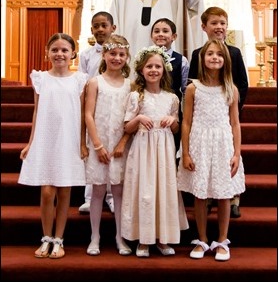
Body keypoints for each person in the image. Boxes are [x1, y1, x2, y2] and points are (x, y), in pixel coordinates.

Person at [18, 33, 88, 259]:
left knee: (65, 189)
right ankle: (46, 238)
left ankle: (59, 239)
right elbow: (37, 111)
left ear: (72, 54)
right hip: (47, 138)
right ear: (47, 53)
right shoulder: (40, 78)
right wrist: (30, 143)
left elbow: (81, 114)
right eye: (55, 50)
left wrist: (82, 143)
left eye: (64, 50)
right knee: (47, 191)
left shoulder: (79, 80)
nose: (60, 54)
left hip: (68, 138)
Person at [177, 39, 245, 261]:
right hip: (199, 143)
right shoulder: (192, 88)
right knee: (200, 194)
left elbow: (235, 123)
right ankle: (203, 239)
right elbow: (186, 122)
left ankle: (222, 241)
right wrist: (185, 152)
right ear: (202, 58)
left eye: (219, 54)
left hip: (223, 144)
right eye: (210, 54)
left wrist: (237, 153)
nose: (214, 57)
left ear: (225, 60)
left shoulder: (230, 89)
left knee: (224, 194)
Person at [121, 45, 189, 258]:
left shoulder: (172, 98)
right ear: (141, 70)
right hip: (143, 150)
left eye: (157, 66)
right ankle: (143, 239)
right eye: (149, 66)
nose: (153, 70)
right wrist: (138, 119)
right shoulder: (135, 96)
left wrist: (173, 121)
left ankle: (162, 238)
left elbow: (177, 127)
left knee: (163, 190)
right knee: (145, 191)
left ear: (164, 70)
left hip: (164, 151)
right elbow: (126, 127)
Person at [188, 6, 248, 218]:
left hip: (226, 113)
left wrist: (231, 108)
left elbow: (242, 83)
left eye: (223, 23)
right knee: (208, 159)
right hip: (205, 116)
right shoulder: (198, 54)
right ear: (204, 27)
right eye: (214, 23)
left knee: (227, 156)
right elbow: (193, 82)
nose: (219, 27)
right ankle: (210, 195)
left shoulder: (234, 52)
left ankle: (232, 199)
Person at [85, 34, 132, 256]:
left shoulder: (130, 85)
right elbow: (88, 114)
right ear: (104, 55)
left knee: (120, 191)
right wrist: (97, 144)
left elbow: (132, 117)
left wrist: (122, 142)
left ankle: (120, 237)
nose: (117, 58)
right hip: (100, 143)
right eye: (112, 53)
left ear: (127, 57)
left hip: (120, 146)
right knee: (98, 191)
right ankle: (95, 236)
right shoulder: (95, 82)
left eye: (121, 54)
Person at [78, 11, 116, 214]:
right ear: (91, 30)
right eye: (96, 26)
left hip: (112, 106)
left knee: (109, 151)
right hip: (92, 107)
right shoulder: (86, 55)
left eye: (104, 25)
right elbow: (82, 82)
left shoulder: (118, 53)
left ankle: (110, 196)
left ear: (113, 28)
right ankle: (90, 196)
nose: (100, 29)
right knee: (93, 152)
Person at [150, 17, 189, 154]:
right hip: (150, 107)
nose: (160, 34)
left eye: (165, 31)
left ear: (174, 37)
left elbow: (185, 89)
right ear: (151, 36)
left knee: (171, 147)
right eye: (157, 31)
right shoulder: (145, 58)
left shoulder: (181, 60)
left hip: (172, 109)